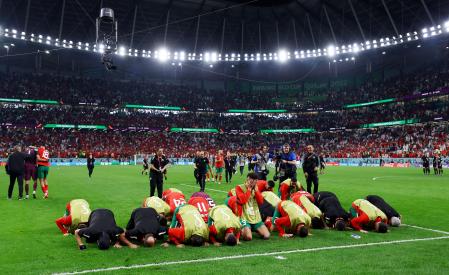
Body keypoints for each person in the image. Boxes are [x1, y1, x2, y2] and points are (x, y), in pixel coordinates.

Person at [235, 172, 270, 240]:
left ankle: (253, 228)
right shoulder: (239, 187)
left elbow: (261, 202)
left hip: (255, 216)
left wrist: (256, 191)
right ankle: (244, 229)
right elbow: (243, 201)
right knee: (248, 237)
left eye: (254, 181)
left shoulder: (256, 188)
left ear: (256, 181)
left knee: (266, 236)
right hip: (244, 217)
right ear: (247, 179)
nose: (252, 183)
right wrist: (249, 190)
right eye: (250, 180)